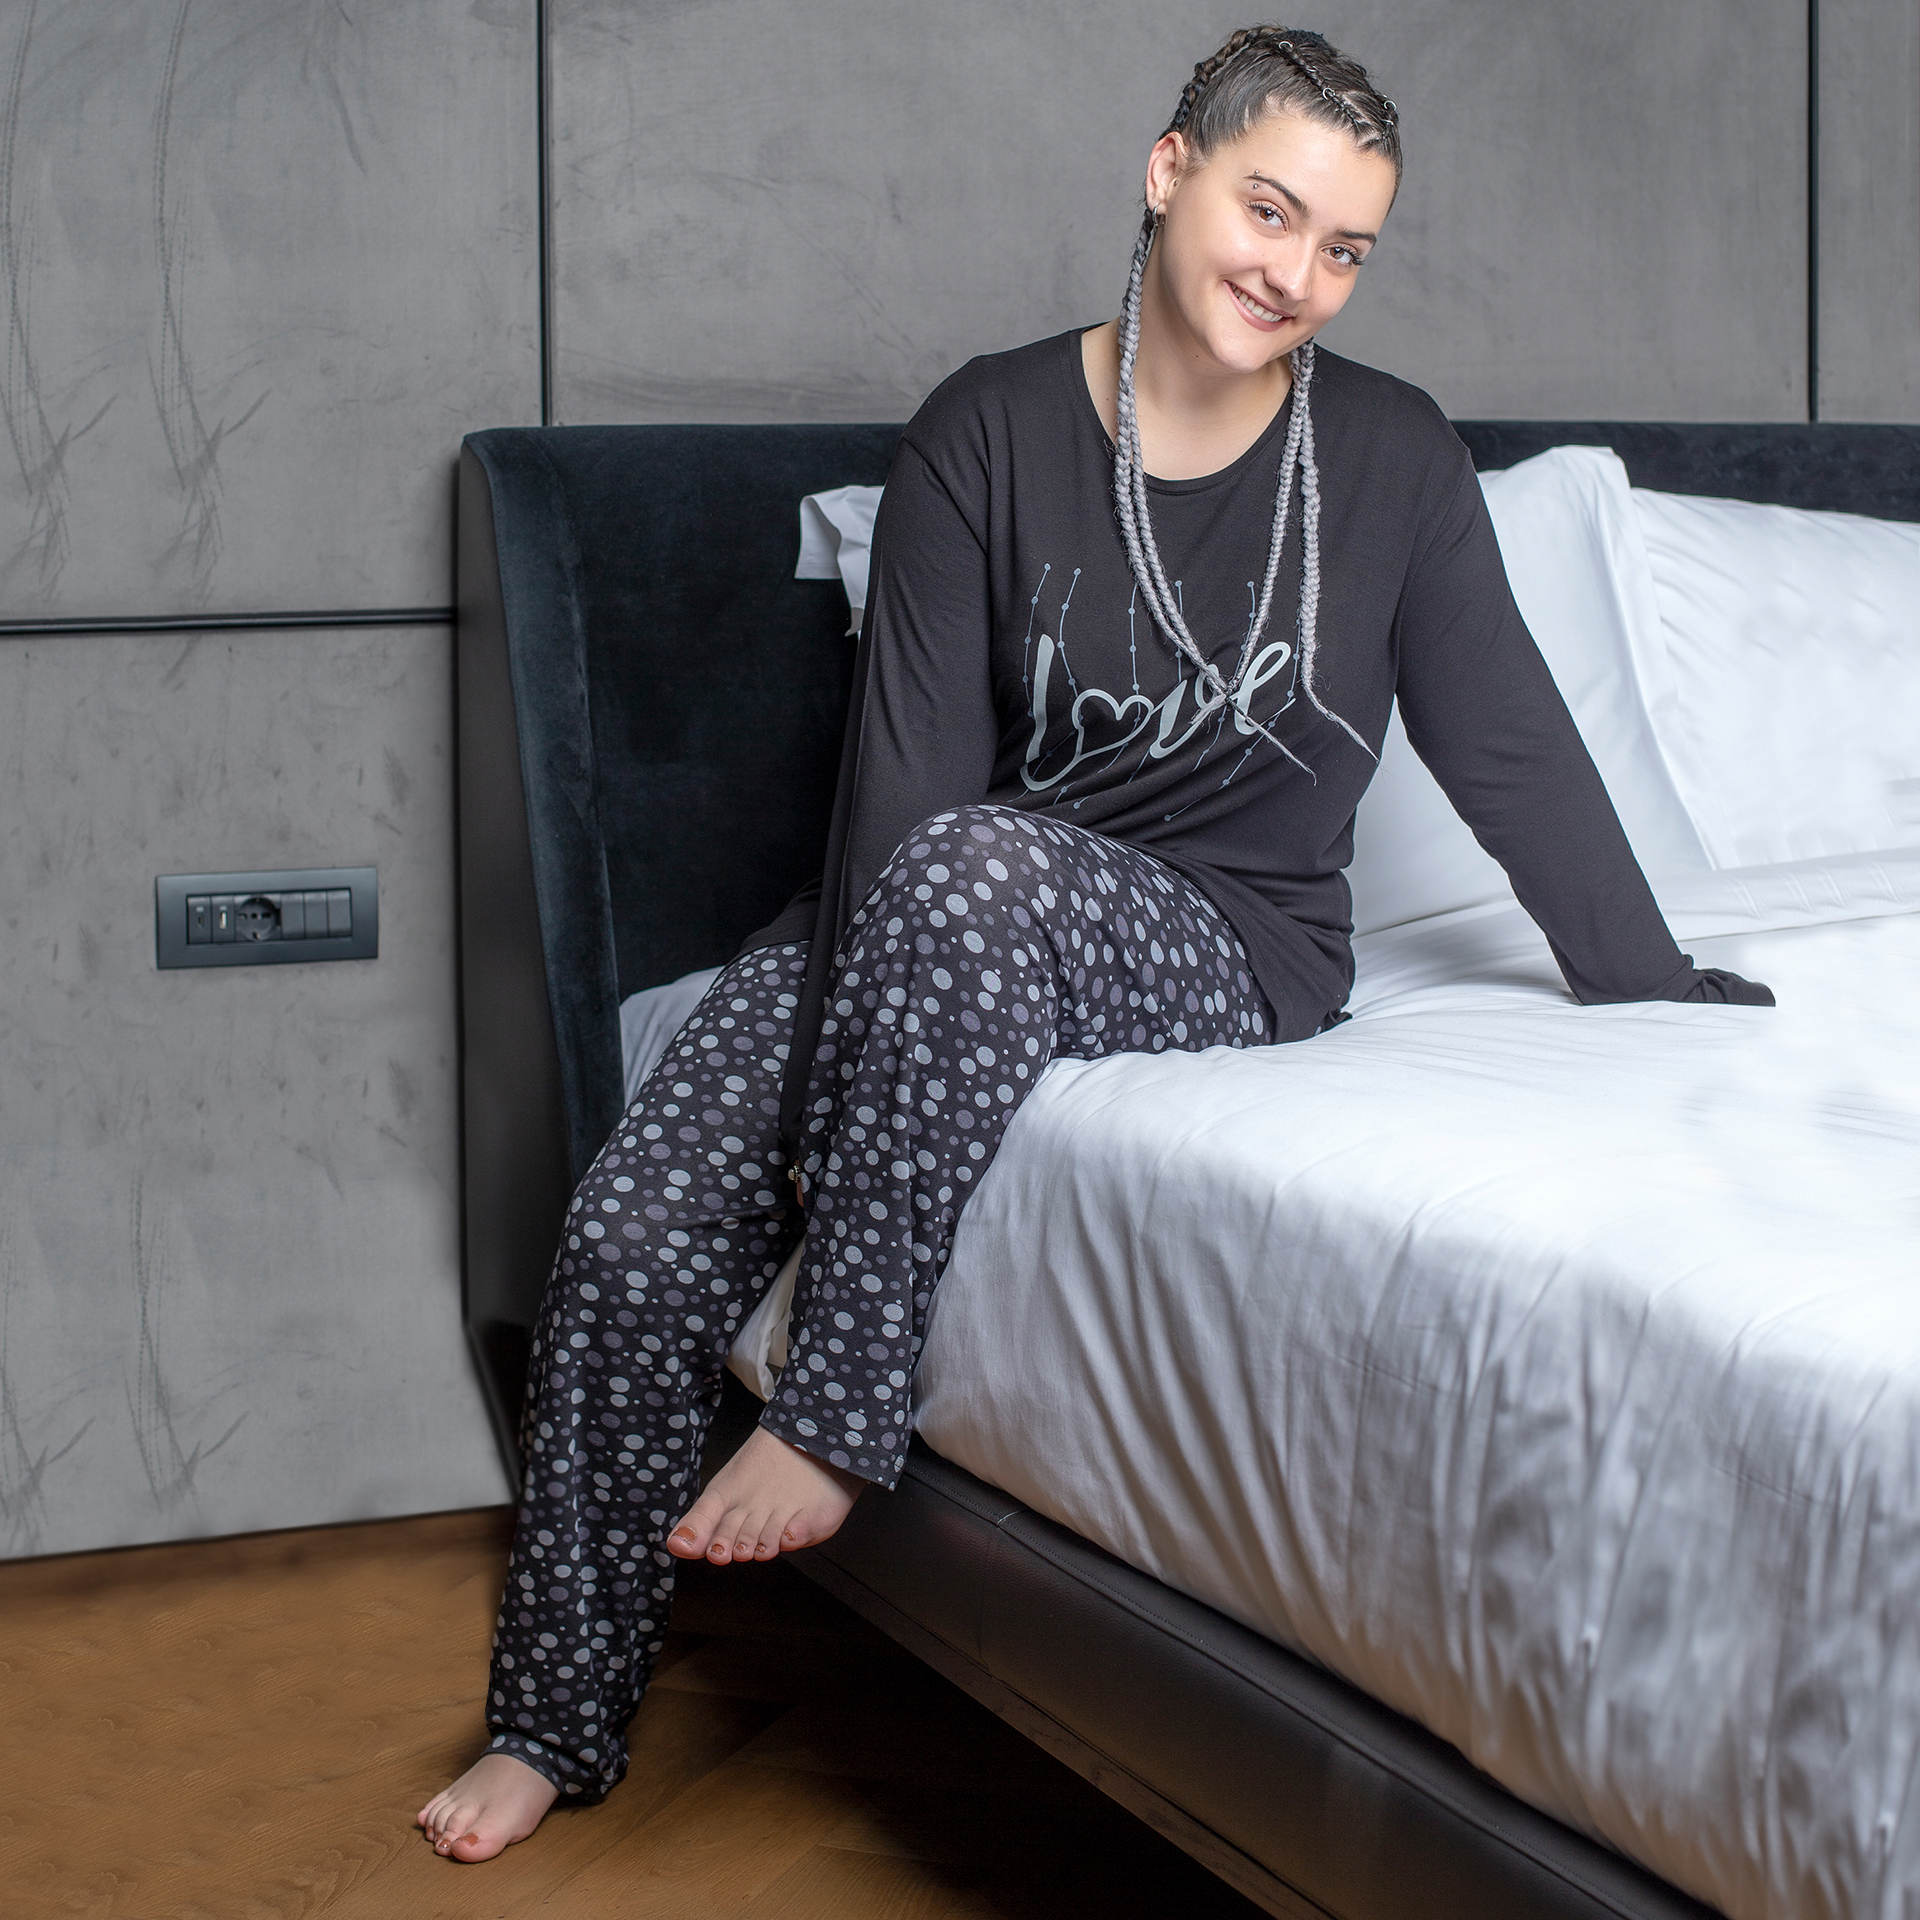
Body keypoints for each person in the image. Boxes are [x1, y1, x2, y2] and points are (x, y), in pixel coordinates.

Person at [418, 24, 1770, 1863]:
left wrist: (1649, 975)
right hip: (934, 907)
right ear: (1167, 172)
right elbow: (903, 803)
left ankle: (834, 1411)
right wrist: (820, 1108)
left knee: (976, 875)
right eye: (1268, 211)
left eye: (1344, 247)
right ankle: (549, 1719)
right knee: (641, 1224)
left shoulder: (1390, 455)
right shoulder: (984, 429)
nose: (1296, 275)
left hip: (1225, 935)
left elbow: (1512, 746)